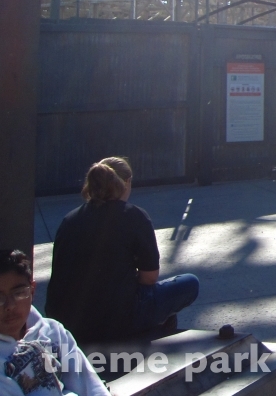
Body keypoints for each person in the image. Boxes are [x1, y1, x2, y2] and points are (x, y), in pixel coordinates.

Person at [45, 158, 199, 345]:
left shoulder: (69, 220)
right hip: (116, 320)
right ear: (126, 183)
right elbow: (149, 278)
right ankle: (146, 335)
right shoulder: (133, 215)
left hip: (68, 323)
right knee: (189, 283)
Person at [0, 249, 109, 396]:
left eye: (19, 293)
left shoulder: (53, 332)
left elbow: (90, 386)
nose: (10, 306)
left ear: (32, 292)